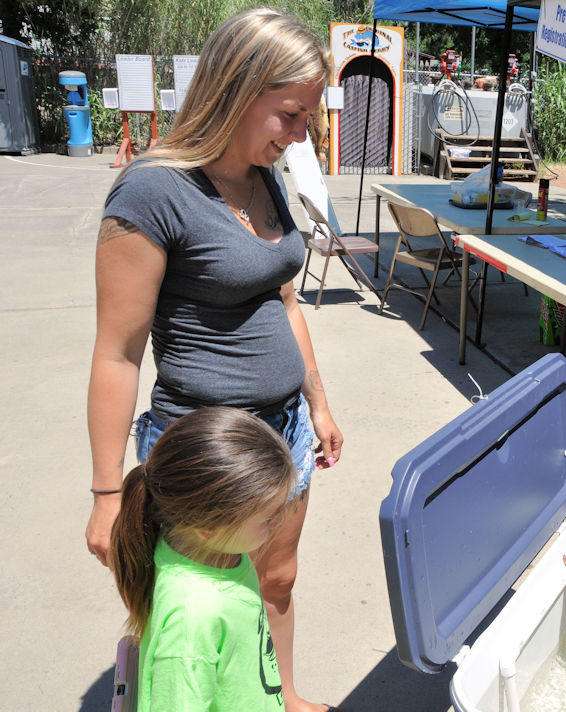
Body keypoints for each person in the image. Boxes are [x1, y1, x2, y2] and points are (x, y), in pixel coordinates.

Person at [86, 9, 342, 712]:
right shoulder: (152, 191)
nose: (301, 136)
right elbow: (117, 353)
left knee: (276, 579)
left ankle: (280, 694)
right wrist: (107, 495)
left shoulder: (264, 175)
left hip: (284, 432)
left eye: (308, 117)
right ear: (236, 88)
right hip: (209, 451)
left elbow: (285, 300)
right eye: (290, 114)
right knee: (199, 605)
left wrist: (317, 403)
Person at [110, 407, 296, 711]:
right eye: (268, 518)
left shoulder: (212, 550)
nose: (279, 523)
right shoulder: (192, 619)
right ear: (209, 527)